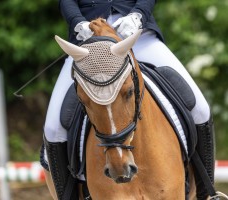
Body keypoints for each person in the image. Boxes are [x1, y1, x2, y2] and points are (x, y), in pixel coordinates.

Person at [41, 1, 216, 199]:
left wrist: (138, 15)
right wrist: (77, 22)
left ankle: (207, 194)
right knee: (53, 129)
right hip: (89, 42)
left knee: (200, 109)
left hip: (137, 36)